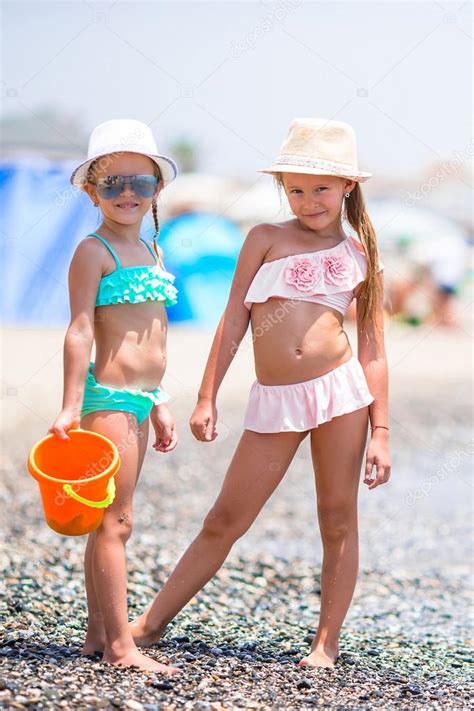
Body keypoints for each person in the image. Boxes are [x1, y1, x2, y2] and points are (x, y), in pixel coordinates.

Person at [131, 117, 392, 669]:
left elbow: (373, 351)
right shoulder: (263, 239)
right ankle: (151, 625)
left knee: (338, 516)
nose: (307, 199)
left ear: (348, 187)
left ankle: (326, 642)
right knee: (225, 518)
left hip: (342, 395)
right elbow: (232, 322)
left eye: (320, 187)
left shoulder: (361, 254)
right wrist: (206, 397)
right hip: (275, 398)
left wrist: (382, 433)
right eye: (295, 188)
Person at [49, 119, 180, 674]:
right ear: (90, 191)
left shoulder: (151, 249)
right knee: (114, 522)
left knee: (108, 517)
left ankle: (97, 635)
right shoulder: (92, 250)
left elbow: (149, 337)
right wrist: (69, 405)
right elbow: (81, 330)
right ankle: (123, 647)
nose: (128, 193)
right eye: (111, 183)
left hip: (140, 401)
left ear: (156, 188)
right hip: (107, 400)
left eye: (140, 182)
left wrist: (160, 400)